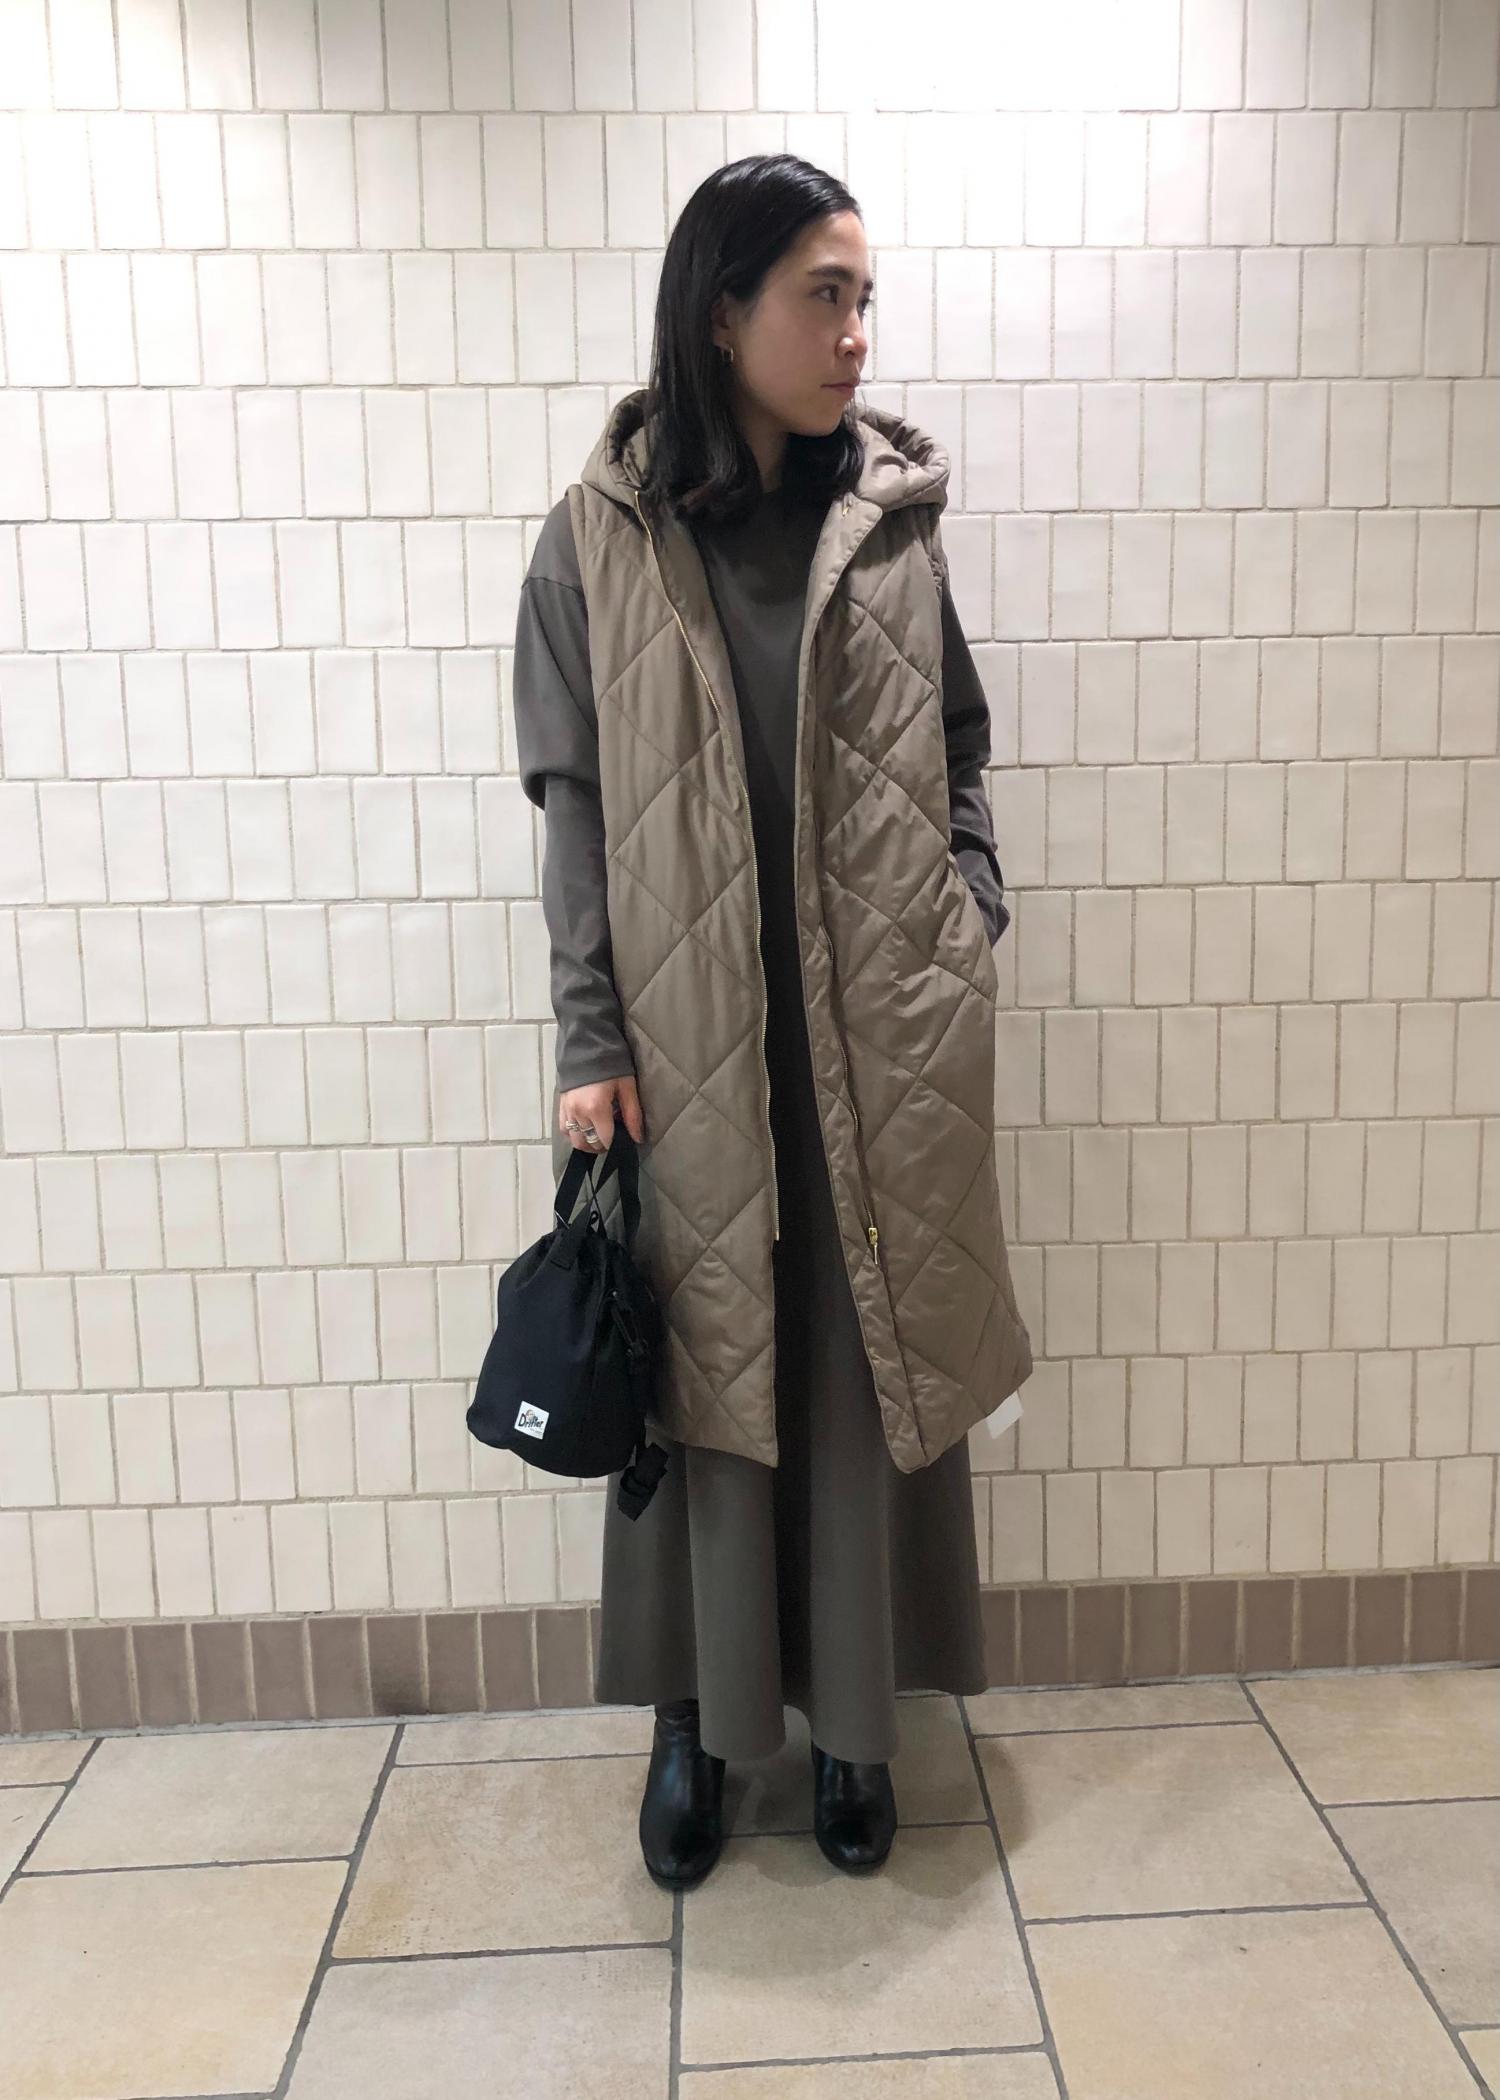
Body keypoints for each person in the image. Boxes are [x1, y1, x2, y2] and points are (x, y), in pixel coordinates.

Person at [512, 154, 1033, 1892]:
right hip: (685, 1045)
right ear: (722, 310)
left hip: (874, 1042)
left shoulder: (886, 525)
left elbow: (958, 742)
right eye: (826, 295)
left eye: (866, 298)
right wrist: (591, 1038)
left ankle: (858, 1730)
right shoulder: (598, 535)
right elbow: (575, 804)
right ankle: (692, 1719)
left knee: (860, 1367)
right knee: (696, 1383)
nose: (857, 333)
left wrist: (966, 908)